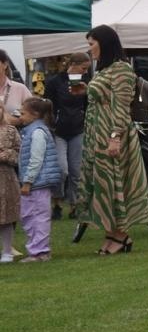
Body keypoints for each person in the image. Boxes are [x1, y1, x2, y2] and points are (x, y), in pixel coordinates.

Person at [78, 26, 148, 257]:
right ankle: (112, 233)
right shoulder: (104, 70)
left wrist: (115, 138)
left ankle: (121, 235)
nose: (89, 49)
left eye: (92, 44)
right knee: (103, 185)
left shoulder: (121, 69)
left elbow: (121, 107)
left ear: (104, 43)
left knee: (116, 182)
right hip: (96, 134)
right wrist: (87, 90)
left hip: (112, 133)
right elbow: (104, 97)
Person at [42, 53, 89, 217]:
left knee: (76, 171)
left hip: (78, 129)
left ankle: (74, 205)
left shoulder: (86, 82)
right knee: (61, 169)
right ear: (73, 64)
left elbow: (88, 105)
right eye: (84, 68)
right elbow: (47, 105)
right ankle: (57, 201)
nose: (85, 72)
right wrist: (50, 126)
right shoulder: (54, 82)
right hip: (58, 131)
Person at [16, 97, 62, 261]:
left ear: (34, 114)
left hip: (37, 183)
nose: (20, 117)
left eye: (23, 113)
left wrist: (28, 181)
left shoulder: (37, 133)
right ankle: (36, 249)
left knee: (38, 216)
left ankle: (40, 251)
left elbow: (36, 159)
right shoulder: (30, 131)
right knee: (29, 216)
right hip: (33, 183)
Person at [0, 114, 17, 262]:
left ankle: (7, 251)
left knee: (6, 216)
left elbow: (19, 151)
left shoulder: (10, 130)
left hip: (5, 179)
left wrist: (6, 154)